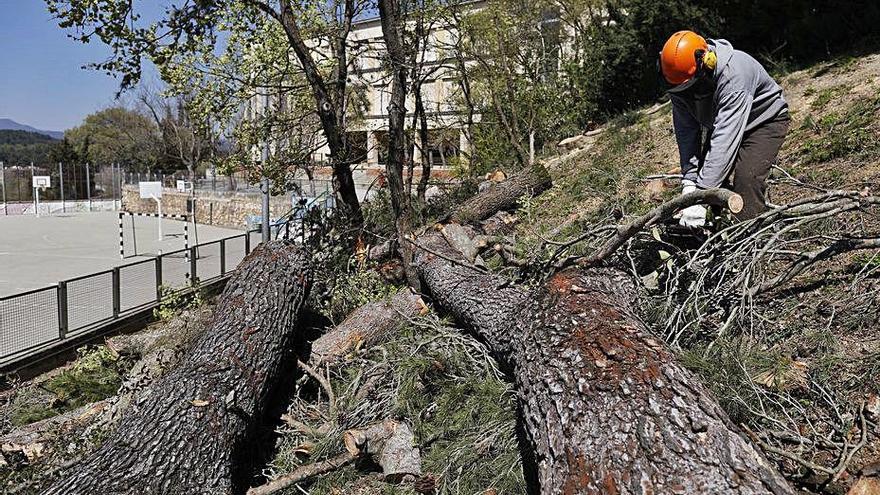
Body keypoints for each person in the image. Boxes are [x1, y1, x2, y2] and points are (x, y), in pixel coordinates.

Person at [660, 30, 789, 226]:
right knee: (707, 176)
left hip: (764, 121)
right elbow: (687, 131)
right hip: (722, 122)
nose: (686, 94)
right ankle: (709, 233)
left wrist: (701, 194)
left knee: (747, 179)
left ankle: (749, 238)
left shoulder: (734, 73)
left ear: (707, 63)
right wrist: (689, 181)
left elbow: (725, 139)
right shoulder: (679, 81)